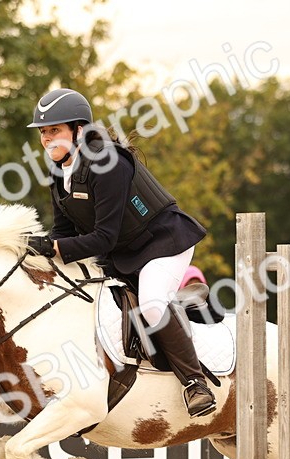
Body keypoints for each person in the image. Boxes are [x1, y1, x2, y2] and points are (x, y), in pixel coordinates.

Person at [24, 88, 215, 417]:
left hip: (162, 243)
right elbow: (63, 232)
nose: (46, 138)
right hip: (123, 252)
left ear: (79, 130)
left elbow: (104, 238)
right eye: (43, 132)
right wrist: (37, 254)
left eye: (54, 130)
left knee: (153, 304)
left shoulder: (107, 163)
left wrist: (54, 248)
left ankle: (195, 383)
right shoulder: (58, 172)